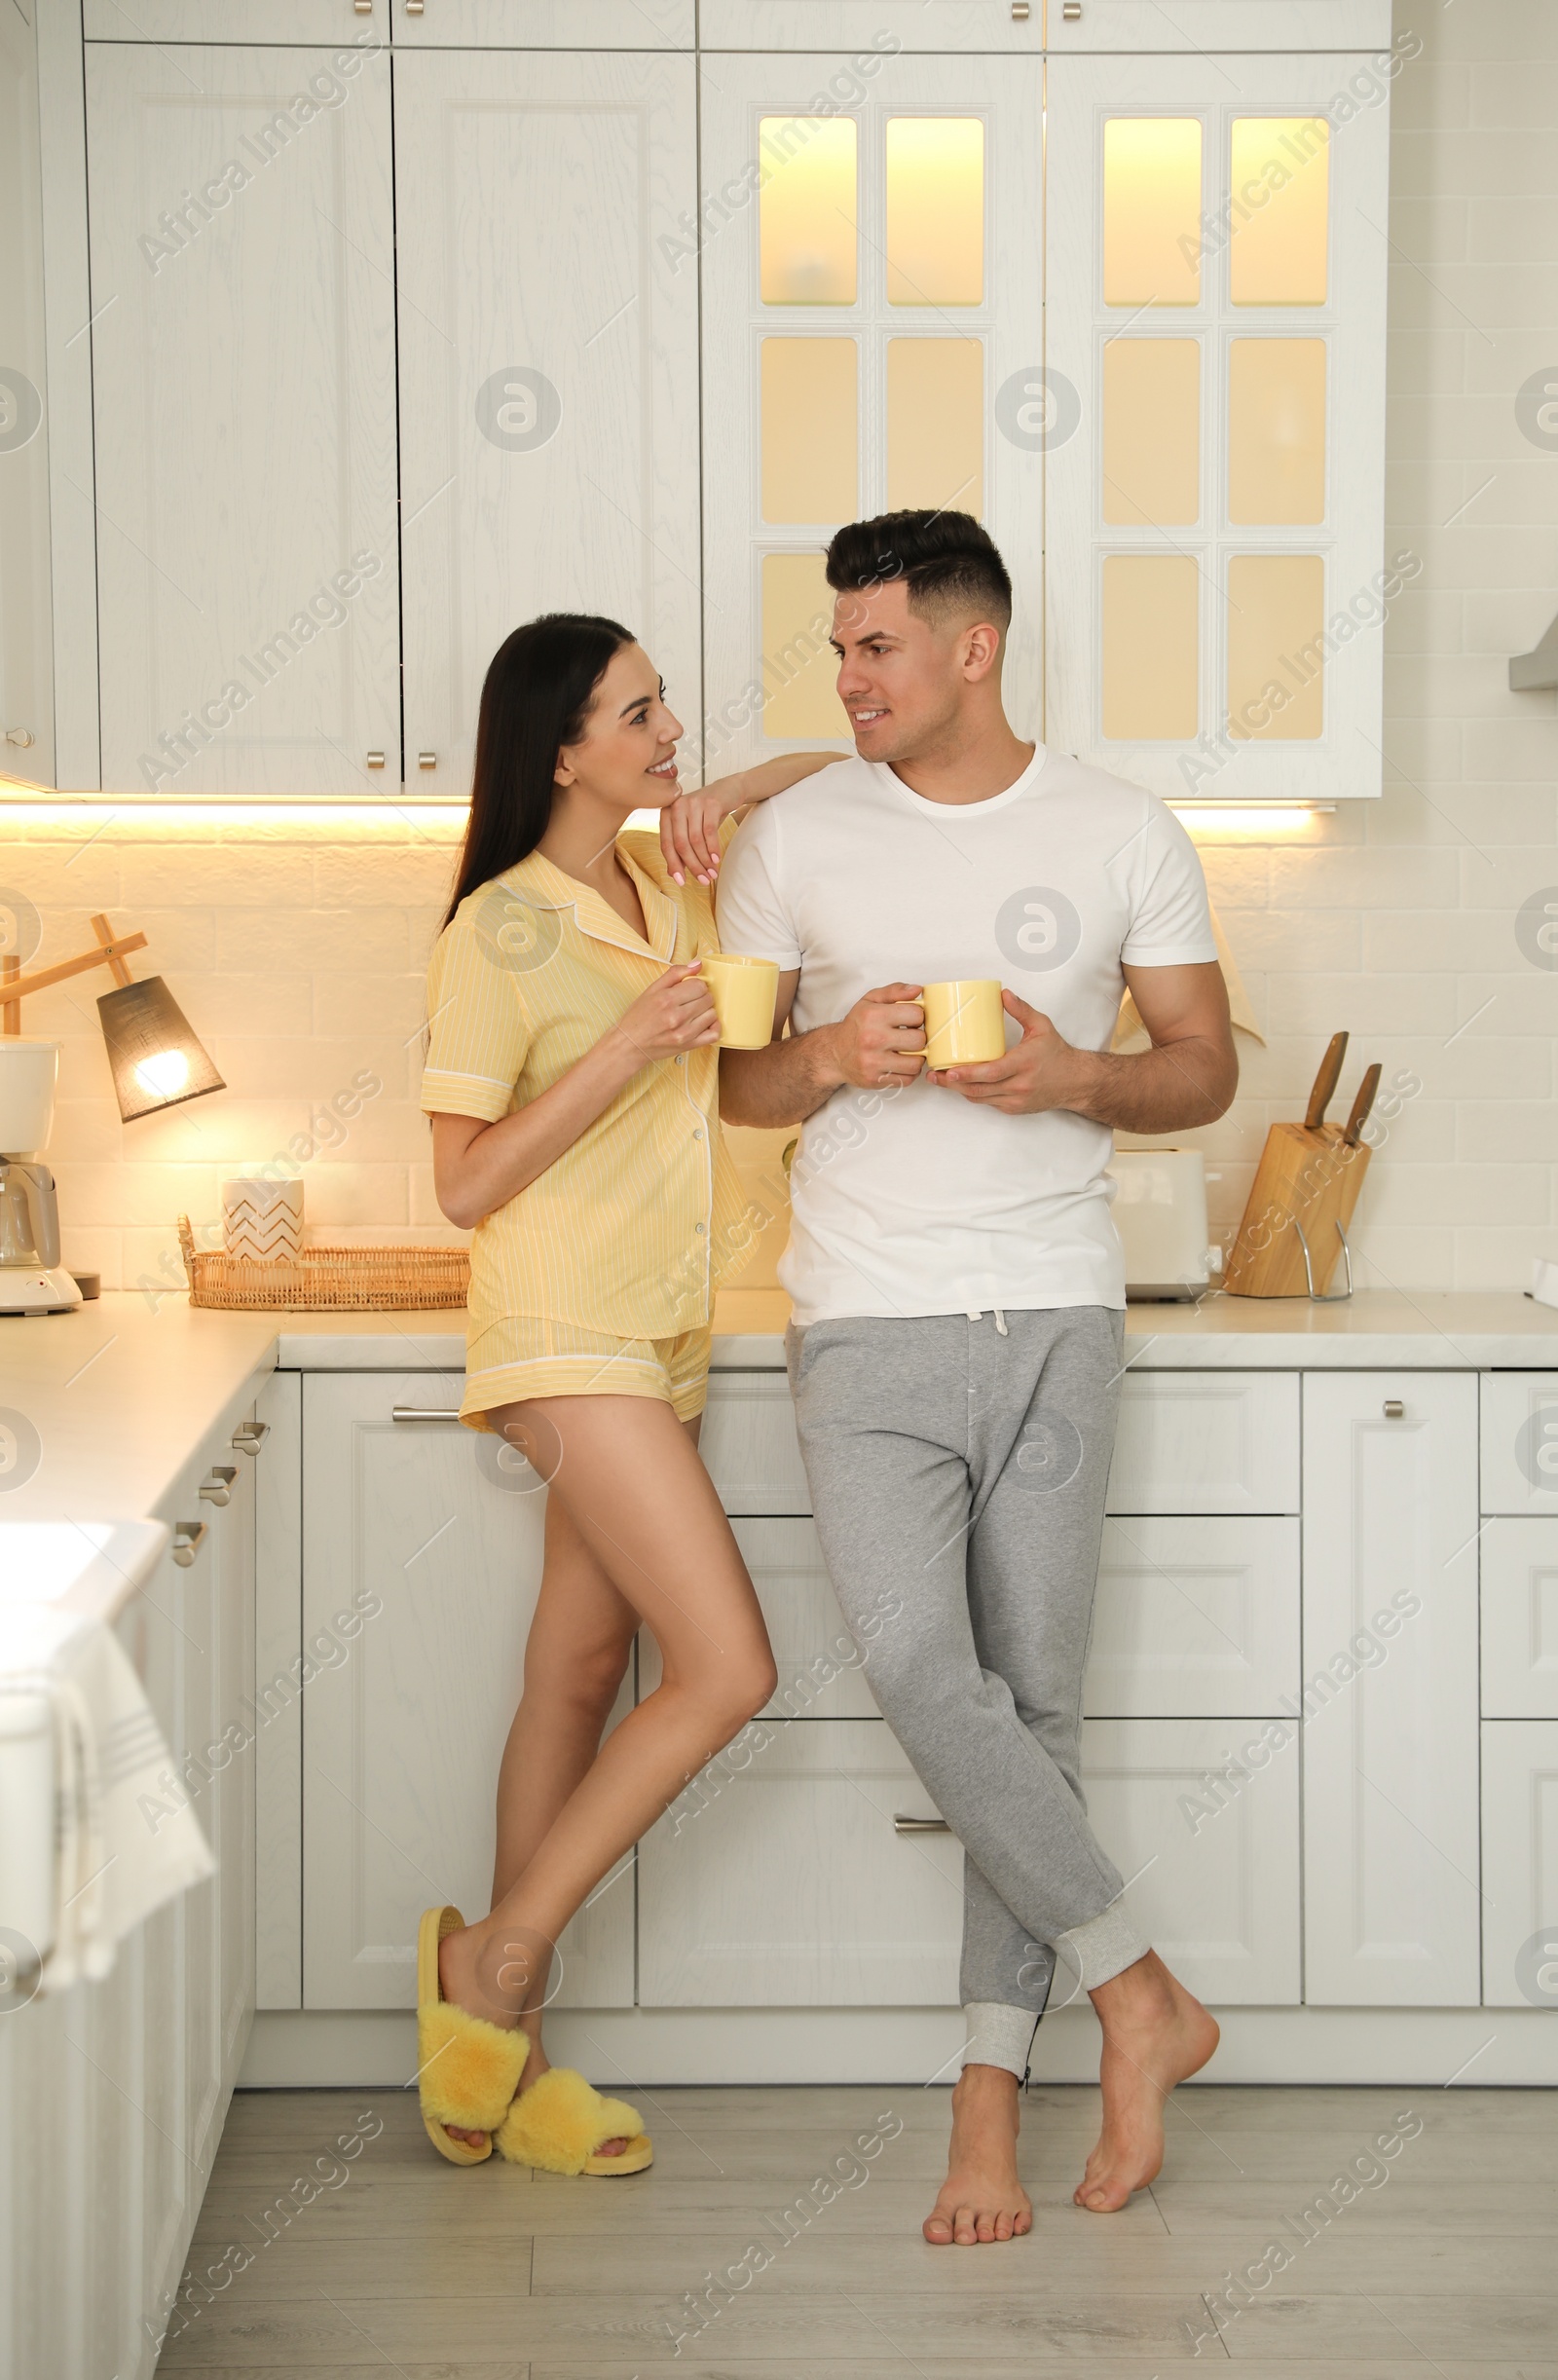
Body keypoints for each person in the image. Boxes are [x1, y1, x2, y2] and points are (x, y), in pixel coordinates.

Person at [716, 510, 1238, 2245]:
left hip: (1059, 1314)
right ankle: (1138, 1988)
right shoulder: (793, 838)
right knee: (927, 1671)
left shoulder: (1122, 830)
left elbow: (1206, 1072)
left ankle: (986, 2117)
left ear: (970, 648)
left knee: (1034, 1711)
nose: (845, 676)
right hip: (863, 1320)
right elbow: (737, 1091)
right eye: (839, 647)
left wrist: (1079, 1076)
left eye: (873, 647)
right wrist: (824, 1054)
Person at [418, 611, 841, 2175]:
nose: (671, 731)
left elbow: (830, 774)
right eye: (640, 713)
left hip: (661, 1330)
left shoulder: (667, 881)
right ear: (561, 748)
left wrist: (721, 791)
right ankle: (500, 1960)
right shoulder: (498, 934)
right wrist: (627, 1050)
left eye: (668, 706)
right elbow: (461, 1186)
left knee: (582, 1669)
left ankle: (503, 2071)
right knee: (728, 1667)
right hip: (560, 1321)